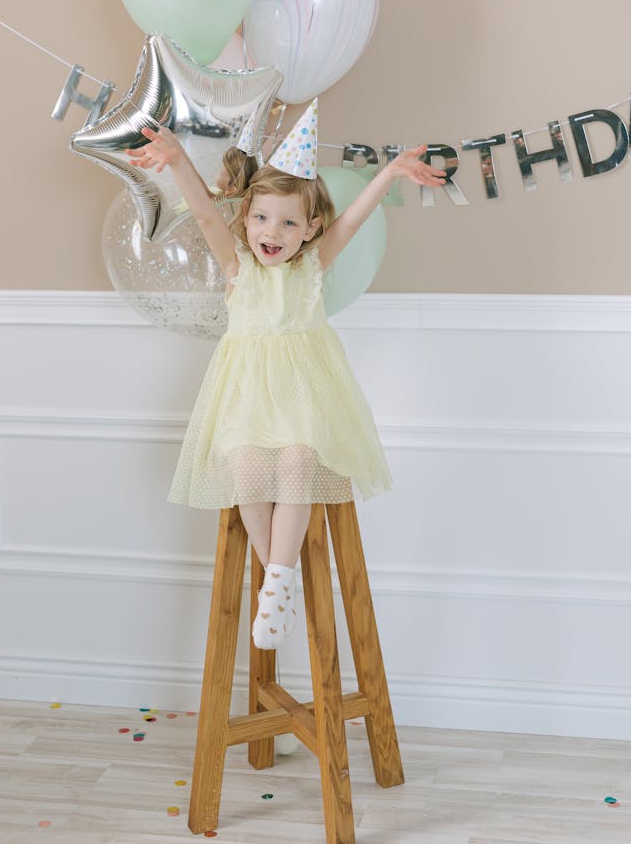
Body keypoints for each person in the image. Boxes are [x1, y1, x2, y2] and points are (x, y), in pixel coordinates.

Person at [127, 122, 445, 648]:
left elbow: (354, 221)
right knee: (247, 468)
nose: (270, 233)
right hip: (248, 397)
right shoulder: (237, 267)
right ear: (247, 220)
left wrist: (389, 172)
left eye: (288, 222)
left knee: (298, 459)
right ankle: (278, 573)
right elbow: (206, 213)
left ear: (310, 228)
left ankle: (277, 581)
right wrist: (179, 159)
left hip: (303, 394)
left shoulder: (313, 266)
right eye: (260, 218)